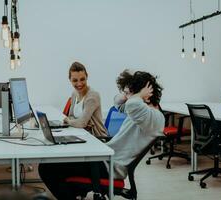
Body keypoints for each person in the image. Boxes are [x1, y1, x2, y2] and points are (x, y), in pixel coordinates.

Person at [38, 70, 165, 199]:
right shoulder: (141, 110)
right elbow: (118, 102)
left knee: (47, 168)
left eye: (130, 94)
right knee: (53, 164)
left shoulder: (153, 117)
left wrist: (138, 95)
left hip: (110, 167)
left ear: (146, 95)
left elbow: (132, 104)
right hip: (105, 158)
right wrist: (131, 94)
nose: (127, 97)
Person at [63, 61, 107, 137]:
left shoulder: (92, 96)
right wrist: (73, 121)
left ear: (87, 77)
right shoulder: (74, 94)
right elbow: (71, 116)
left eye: (82, 79)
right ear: (70, 80)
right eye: (75, 80)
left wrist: (69, 121)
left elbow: (81, 123)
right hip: (80, 134)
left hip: (97, 138)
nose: (79, 84)